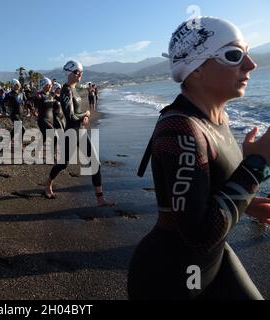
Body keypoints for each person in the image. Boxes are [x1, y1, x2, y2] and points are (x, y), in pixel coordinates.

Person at [129, 17, 270, 300]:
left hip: (214, 259)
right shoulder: (180, 128)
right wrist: (256, 166)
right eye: (234, 56)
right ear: (197, 70)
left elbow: (206, 192)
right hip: (170, 276)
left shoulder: (218, 118)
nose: (251, 65)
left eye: (247, 53)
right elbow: (197, 233)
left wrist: (248, 203)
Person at [45, 61, 114, 207]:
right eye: (77, 72)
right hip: (71, 132)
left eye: (81, 72)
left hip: (80, 130)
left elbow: (76, 113)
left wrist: (84, 116)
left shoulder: (74, 89)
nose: (80, 74)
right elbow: (70, 116)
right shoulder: (66, 90)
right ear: (69, 73)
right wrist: (86, 113)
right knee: (63, 164)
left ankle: (100, 198)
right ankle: (48, 184)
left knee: (95, 163)